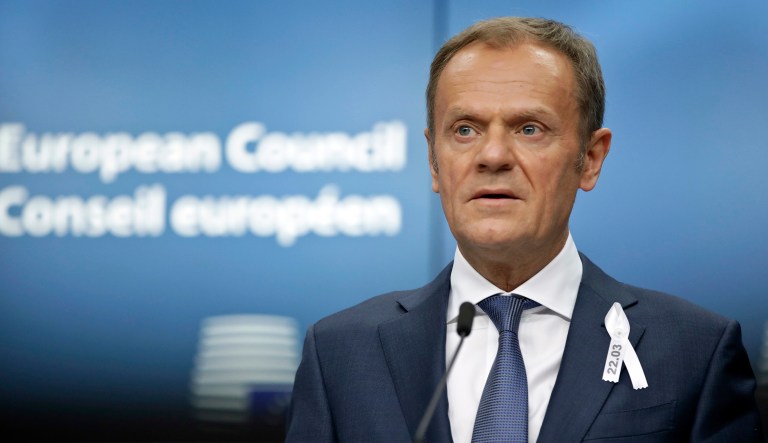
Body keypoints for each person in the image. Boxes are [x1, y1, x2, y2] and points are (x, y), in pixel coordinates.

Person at [285, 17, 763, 442]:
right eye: (465, 130)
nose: (492, 156)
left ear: (590, 159)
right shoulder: (341, 354)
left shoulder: (693, 349)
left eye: (529, 128)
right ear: (433, 161)